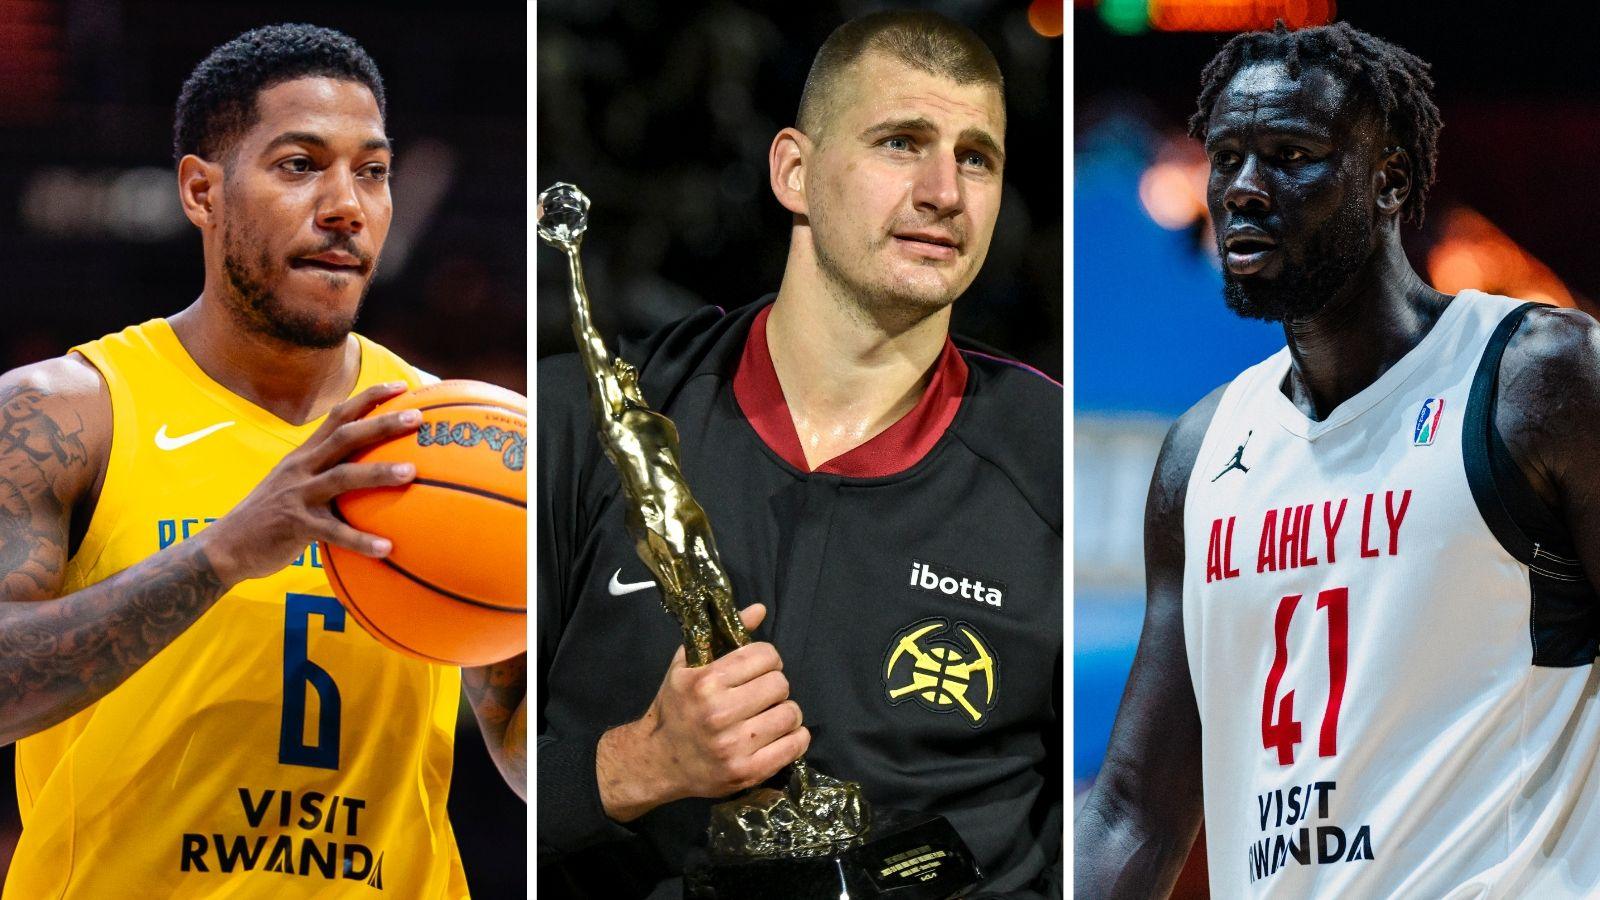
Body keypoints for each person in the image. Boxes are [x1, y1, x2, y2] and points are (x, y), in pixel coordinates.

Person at [537, 10, 1061, 899]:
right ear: (794, 170)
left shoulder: (1050, 464)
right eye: (902, 142)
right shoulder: (583, 421)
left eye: (977, 157)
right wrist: (638, 767)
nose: (945, 191)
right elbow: (452, 782)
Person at [1076, 21, 1600, 899]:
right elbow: (1135, 807)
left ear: (1390, 179)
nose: (1244, 188)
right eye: (1228, 156)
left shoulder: (1538, 380)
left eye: (1289, 154)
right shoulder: (1202, 452)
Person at [0, 24, 525, 898]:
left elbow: (521, 745)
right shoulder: (64, 410)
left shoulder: (453, 439)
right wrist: (221, 555)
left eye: (372, 170)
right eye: (299, 164)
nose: (347, 204)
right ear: (201, 192)